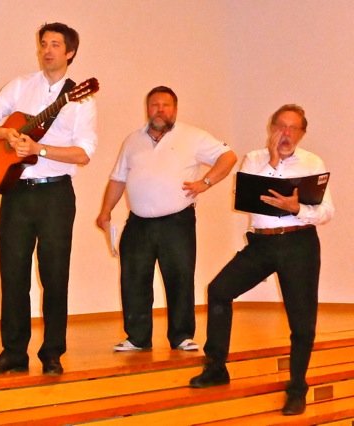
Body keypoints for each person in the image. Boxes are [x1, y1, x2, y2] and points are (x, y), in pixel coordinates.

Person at [189, 104, 334, 416]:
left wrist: (297, 208)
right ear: (271, 128)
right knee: (219, 290)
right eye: (280, 126)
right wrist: (273, 163)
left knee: (302, 321)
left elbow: (326, 212)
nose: (286, 133)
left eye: (293, 128)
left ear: (302, 133)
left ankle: (297, 389)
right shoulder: (254, 159)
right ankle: (216, 367)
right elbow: (248, 200)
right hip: (262, 243)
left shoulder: (312, 162)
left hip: (299, 244)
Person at [0, 22, 97, 376]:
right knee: (12, 275)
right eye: (44, 43)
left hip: (55, 193)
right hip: (16, 192)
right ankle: (13, 353)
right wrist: (6, 134)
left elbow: (84, 154)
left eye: (55, 44)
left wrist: (39, 149)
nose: (47, 50)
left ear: (70, 52)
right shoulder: (20, 85)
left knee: (54, 275)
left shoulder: (82, 100)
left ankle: (52, 353)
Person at [96, 86, 237, 353]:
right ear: (147, 109)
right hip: (137, 223)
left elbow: (228, 157)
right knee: (133, 279)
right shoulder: (132, 140)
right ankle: (137, 337)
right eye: (154, 105)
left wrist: (205, 182)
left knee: (180, 278)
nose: (160, 110)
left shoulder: (193, 136)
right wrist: (105, 211)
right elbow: (118, 179)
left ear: (175, 109)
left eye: (166, 105)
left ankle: (181, 336)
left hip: (177, 222)